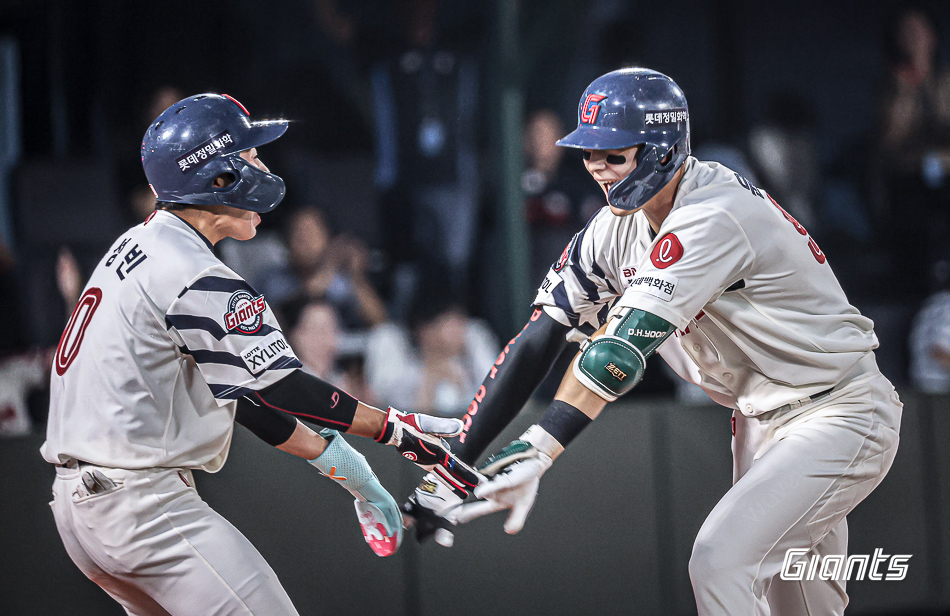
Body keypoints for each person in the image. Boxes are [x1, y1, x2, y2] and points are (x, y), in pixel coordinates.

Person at [404, 69, 903, 615]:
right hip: (764, 421)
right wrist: (455, 465)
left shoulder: (711, 213)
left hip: (838, 410)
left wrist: (543, 448)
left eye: (613, 154)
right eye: (589, 153)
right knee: (798, 605)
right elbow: (539, 339)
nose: (596, 167)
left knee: (721, 560)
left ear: (663, 151)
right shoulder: (614, 226)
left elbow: (618, 351)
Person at [41, 93, 472, 616]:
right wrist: (394, 430)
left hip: (84, 507)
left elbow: (239, 396)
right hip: (142, 505)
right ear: (214, 178)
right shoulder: (194, 272)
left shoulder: (137, 247)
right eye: (248, 157)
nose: (262, 167)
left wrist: (345, 466)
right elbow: (283, 385)